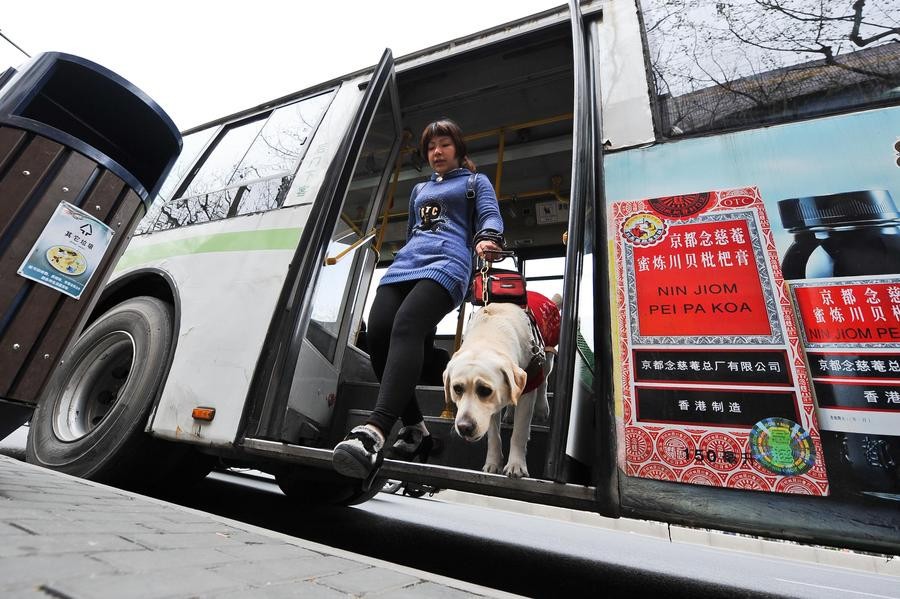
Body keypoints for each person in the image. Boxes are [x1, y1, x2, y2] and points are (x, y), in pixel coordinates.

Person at [332, 118, 504, 483]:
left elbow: (489, 215)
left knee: (407, 325)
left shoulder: (475, 182)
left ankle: (375, 430)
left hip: (448, 263)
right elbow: (413, 229)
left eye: (444, 144)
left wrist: (486, 238)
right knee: (378, 333)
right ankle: (415, 429)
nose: (436, 152)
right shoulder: (418, 189)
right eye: (430, 147)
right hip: (406, 264)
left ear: (458, 149)